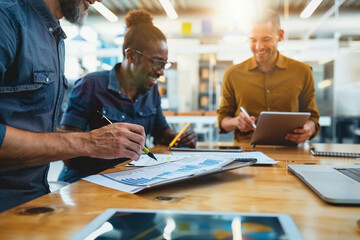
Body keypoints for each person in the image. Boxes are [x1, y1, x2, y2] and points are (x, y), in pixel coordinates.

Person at [0, 0, 147, 213]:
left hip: (33, 203)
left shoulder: (54, 36)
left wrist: (100, 144)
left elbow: (36, 132)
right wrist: (88, 142)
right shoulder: (6, 18)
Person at [58, 9, 197, 183]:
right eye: (156, 62)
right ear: (130, 55)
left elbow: (162, 130)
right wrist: (102, 146)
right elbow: (67, 153)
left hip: (133, 180)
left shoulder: (151, 90)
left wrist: (179, 138)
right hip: (87, 183)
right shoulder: (91, 85)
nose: (161, 72)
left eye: (164, 64)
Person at [217, 9, 320, 144]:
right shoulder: (233, 74)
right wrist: (236, 122)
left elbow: (313, 118)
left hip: (291, 154)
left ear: (280, 35)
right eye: (253, 40)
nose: (259, 47)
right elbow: (222, 120)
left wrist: (308, 129)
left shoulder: (302, 71)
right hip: (246, 154)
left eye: (266, 39)